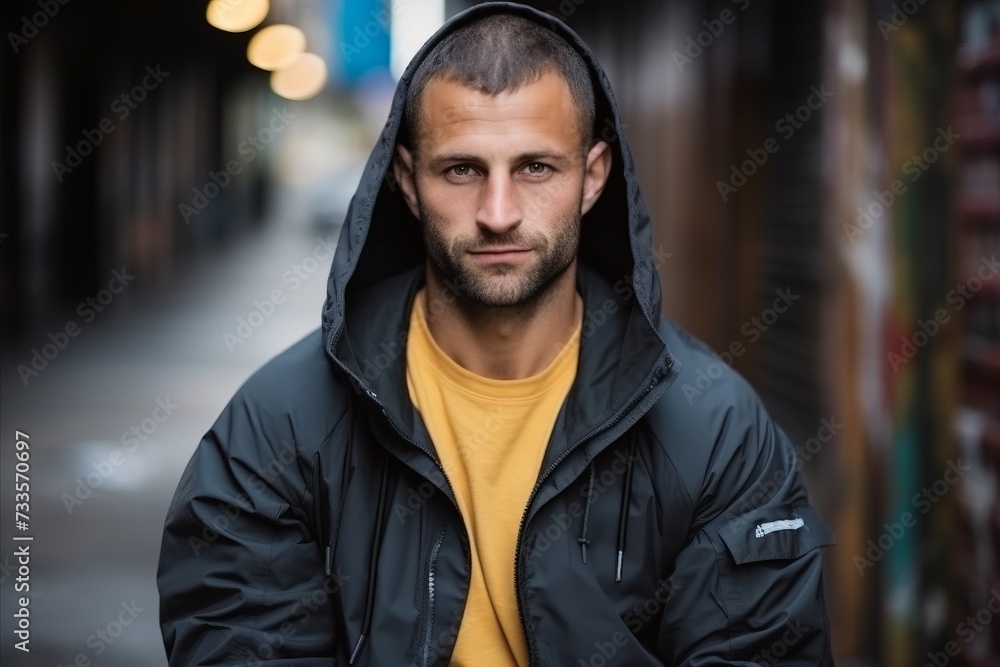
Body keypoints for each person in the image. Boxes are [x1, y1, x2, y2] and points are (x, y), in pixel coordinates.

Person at [157, 3, 836, 665]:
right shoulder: (278, 428)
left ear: (593, 177)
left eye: (536, 168)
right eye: (462, 170)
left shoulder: (715, 430)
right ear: (408, 181)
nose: (499, 213)